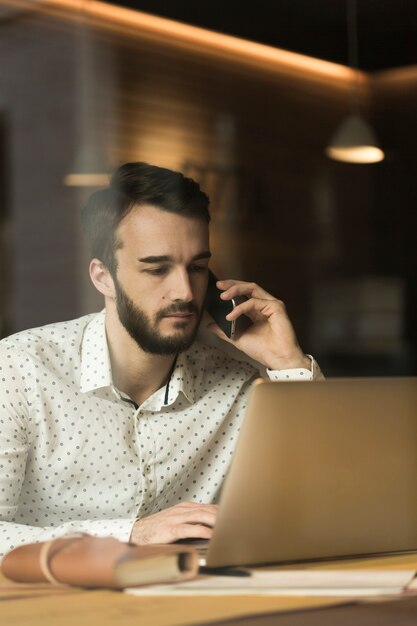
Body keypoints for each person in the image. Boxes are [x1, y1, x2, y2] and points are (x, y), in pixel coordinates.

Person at [0, 162, 322, 558]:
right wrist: (128, 533)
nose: (185, 291)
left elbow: (325, 503)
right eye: (157, 268)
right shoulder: (18, 370)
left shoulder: (242, 382)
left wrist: (288, 363)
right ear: (103, 277)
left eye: (198, 268)